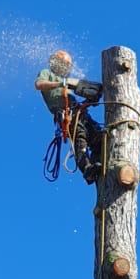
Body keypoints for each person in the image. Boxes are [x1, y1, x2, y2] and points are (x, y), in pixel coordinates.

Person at [35, 49, 103, 183]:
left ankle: (99, 157)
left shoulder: (65, 80)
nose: (66, 68)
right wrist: (62, 83)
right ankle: (87, 169)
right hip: (67, 115)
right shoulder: (48, 74)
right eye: (64, 64)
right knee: (80, 136)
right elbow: (38, 85)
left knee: (98, 135)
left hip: (79, 112)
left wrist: (89, 100)